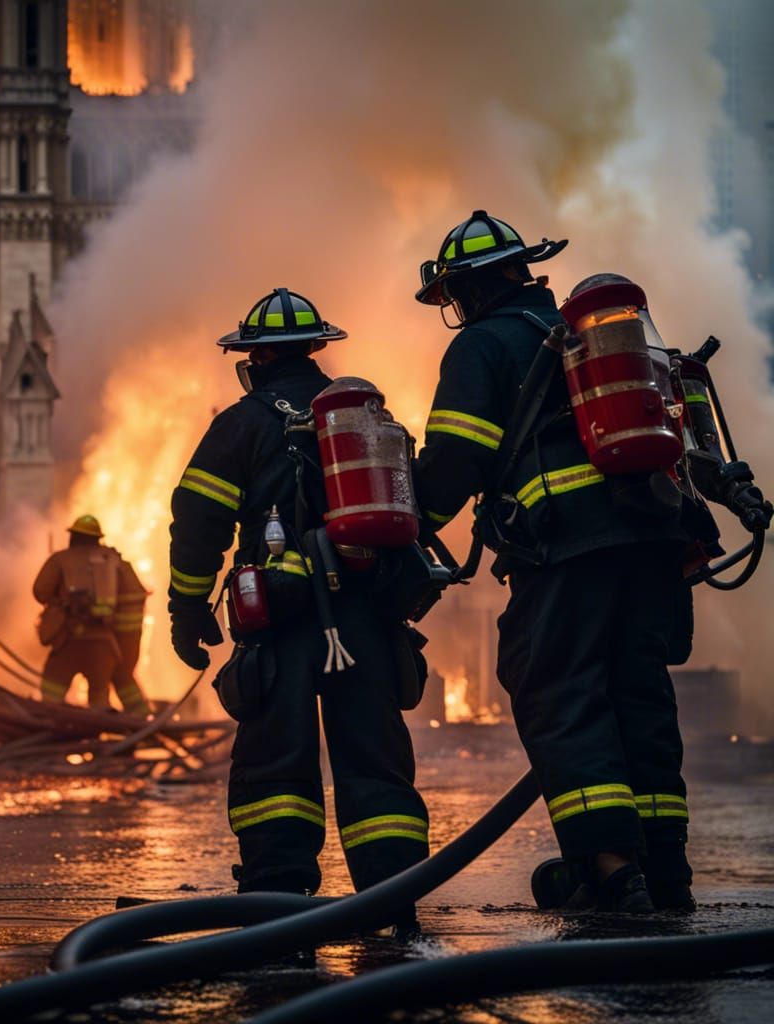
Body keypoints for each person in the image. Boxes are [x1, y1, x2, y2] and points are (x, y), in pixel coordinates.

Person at [412, 210, 770, 913]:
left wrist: (411, 526)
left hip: (566, 551)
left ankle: (610, 869)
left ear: (473, 289)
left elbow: (456, 458)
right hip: (652, 543)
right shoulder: (595, 337)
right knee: (639, 695)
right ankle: (666, 871)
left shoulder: (482, 345)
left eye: (456, 294)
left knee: (560, 694)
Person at [168, 288, 429, 923]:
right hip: (364, 616)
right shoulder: (364, 416)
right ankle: (392, 894)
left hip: (281, 618)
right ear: (315, 349)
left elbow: (198, 520)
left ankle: (277, 897)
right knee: (375, 758)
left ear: (256, 359)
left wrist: (188, 607)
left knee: (276, 761)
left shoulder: (242, 423)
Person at [34, 515, 150, 715]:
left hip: (67, 642)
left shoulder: (60, 559)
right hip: (103, 646)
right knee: (99, 699)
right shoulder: (114, 561)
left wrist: (59, 599)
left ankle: (49, 727)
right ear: (97, 539)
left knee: (51, 693)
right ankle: (103, 730)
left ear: (73, 537)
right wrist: (125, 651)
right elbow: (134, 599)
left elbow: (39, 591)